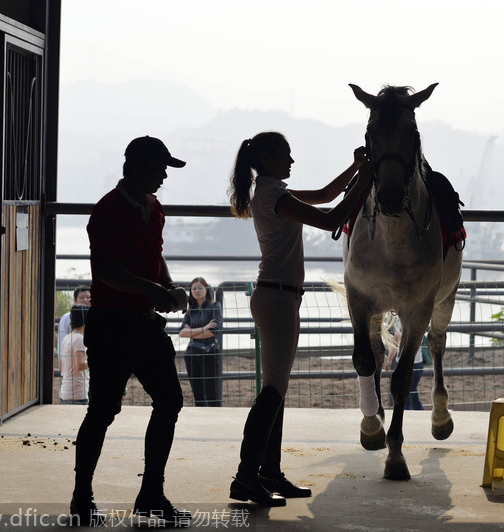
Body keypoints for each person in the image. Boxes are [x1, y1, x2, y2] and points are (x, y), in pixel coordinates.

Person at [227, 131, 371, 507]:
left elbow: (325, 195)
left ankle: (268, 473)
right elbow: (333, 218)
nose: (292, 161)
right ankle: (245, 478)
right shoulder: (275, 195)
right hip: (277, 297)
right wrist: (367, 179)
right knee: (273, 390)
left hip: (278, 296)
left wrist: (356, 169)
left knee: (277, 390)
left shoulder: (272, 192)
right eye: (286, 155)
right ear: (270, 160)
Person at [70, 136, 190, 526]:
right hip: (112, 325)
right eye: (159, 169)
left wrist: (167, 286)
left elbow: (155, 255)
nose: (163, 177)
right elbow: (107, 272)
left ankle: (151, 492)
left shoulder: (153, 209)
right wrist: (156, 290)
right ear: (136, 167)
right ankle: (82, 495)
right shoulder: (106, 210)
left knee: (169, 401)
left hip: (142, 322)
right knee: (103, 411)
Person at [179, 277, 223, 406]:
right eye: (194, 288)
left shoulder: (214, 306)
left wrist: (191, 332)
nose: (197, 291)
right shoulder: (190, 310)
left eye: (200, 288)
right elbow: (182, 333)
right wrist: (203, 328)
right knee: (198, 397)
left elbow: (213, 332)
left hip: (210, 354)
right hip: (192, 355)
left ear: (207, 289)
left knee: (212, 396)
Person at [384, 314, 424, 410]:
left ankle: (406, 418)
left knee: (407, 394)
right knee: (412, 394)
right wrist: (389, 359)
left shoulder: (413, 317)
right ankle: (421, 416)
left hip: (412, 362)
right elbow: (396, 340)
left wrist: (390, 359)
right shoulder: (400, 318)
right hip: (408, 362)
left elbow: (398, 340)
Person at [60, 305, 90, 405]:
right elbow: (80, 365)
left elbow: (61, 367)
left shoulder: (67, 338)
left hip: (65, 392)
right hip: (78, 394)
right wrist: (97, 360)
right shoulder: (79, 339)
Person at [58, 286, 91, 358]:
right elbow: (62, 340)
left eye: (88, 297)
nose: (85, 300)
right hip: (73, 359)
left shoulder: (95, 318)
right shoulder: (67, 318)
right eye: (81, 298)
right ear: (75, 300)